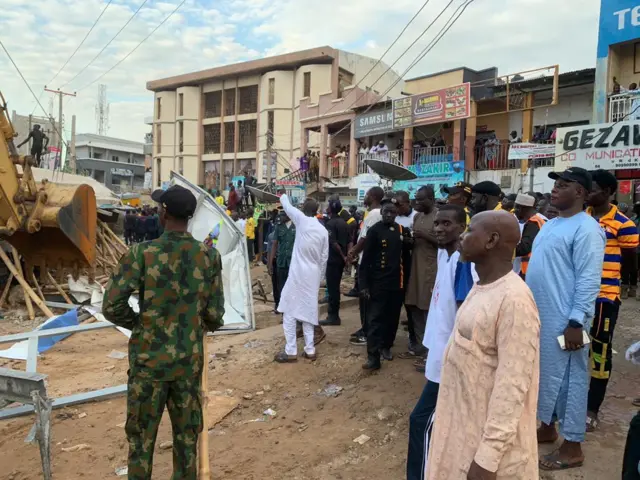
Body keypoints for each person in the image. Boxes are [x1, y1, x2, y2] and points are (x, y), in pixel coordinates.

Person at [102, 185, 224, 480]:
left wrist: (142, 325)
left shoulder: (142, 254)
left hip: (148, 367)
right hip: (187, 367)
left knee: (141, 444)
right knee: (186, 444)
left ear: (164, 212)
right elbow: (215, 315)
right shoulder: (208, 256)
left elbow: (111, 305)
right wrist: (191, 328)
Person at [426, 210, 541, 480]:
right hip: (462, 432)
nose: (462, 238)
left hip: (487, 455)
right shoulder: (482, 288)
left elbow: (512, 387)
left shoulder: (514, 300)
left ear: (491, 240)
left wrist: (487, 458)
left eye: (469, 232)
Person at [526, 167, 606, 471]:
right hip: (544, 318)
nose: (555, 189)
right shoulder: (551, 224)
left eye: (564, 184)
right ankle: (548, 427)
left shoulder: (586, 229)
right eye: (555, 184)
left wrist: (576, 322)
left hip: (568, 321)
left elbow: (588, 279)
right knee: (546, 375)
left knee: (571, 381)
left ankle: (573, 447)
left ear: (581, 193)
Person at [406, 204, 474, 480]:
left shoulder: (462, 262)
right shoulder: (445, 257)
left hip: (450, 357)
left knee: (420, 421)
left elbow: (465, 315)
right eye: (437, 223)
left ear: (462, 227)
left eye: (447, 224)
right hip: (439, 353)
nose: (439, 229)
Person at [585, 170, 639, 431]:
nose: (586, 193)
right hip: (579, 298)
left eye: (591, 188)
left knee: (600, 353)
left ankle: (592, 408)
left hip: (605, 299)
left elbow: (630, 262)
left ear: (607, 193)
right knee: (571, 349)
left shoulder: (624, 224)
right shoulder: (580, 218)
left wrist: (625, 287)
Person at [274, 192, 328, 362]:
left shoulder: (301, 220)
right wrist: (320, 277)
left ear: (304, 209)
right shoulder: (323, 230)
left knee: (289, 310)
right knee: (309, 311)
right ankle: (310, 349)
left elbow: (288, 207)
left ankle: (291, 351)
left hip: (298, 273)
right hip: (313, 274)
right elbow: (324, 257)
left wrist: (282, 195)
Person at [359, 201, 405, 370]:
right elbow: (366, 261)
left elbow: (405, 258)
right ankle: (373, 356)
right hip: (378, 283)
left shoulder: (401, 230)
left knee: (392, 318)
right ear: (382, 212)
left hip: (396, 284)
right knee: (374, 320)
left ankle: (386, 347)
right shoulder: (374, 231)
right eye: (386, 212)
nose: (388, 215)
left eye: (392, 212)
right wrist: (363, 285)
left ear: (396, 213)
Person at [402, 187, 437, 367]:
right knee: (413, 305)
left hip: (431, 269)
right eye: (415, 200)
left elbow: (445, 242)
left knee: (427, 308)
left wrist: (425, 235)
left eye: (420, 200)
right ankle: (420, 346)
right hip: (415, 267)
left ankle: (431, 352)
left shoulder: (439, 217)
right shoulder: (417, 217)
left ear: (431, 199)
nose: (417, 203)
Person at [347, 186, 384, 346]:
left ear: (373, 196)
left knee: (366, 299)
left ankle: (367, 332)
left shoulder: (374, 214)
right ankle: (366, 329)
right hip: (368, 261)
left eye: (367, 194)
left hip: (367, 264)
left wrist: (352, 252)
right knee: (366, 299)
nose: (365, 196)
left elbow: (365, 238)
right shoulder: (373, 214)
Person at [320, 199, 349, 326]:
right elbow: (349, 241)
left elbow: (333, 243)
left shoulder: (330, 224)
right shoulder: (344, 222)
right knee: (335, 288)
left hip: (333, 260)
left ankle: (333, 316)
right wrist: (348, 256)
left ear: (330, 209)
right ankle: (333, 315)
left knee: (332, 289)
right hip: (341, 260)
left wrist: (343, 256)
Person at [268, 210, 295, 312]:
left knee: (292, 286)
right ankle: (283, 309)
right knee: (281, 286)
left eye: (283, 216)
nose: (281, 218)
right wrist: (270, 264)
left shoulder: (296, 226)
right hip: (281, 262)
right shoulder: (279, 227)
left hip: (293, 262)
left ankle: (292, 309)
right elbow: (274, 244)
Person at [514, 193, 545, 280]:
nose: (514, 211)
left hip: (530, 270)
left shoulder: (533, 222)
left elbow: (525, 248)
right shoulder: (539, 220)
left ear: (522, 208)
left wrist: (503, 250)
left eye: (516, 207)